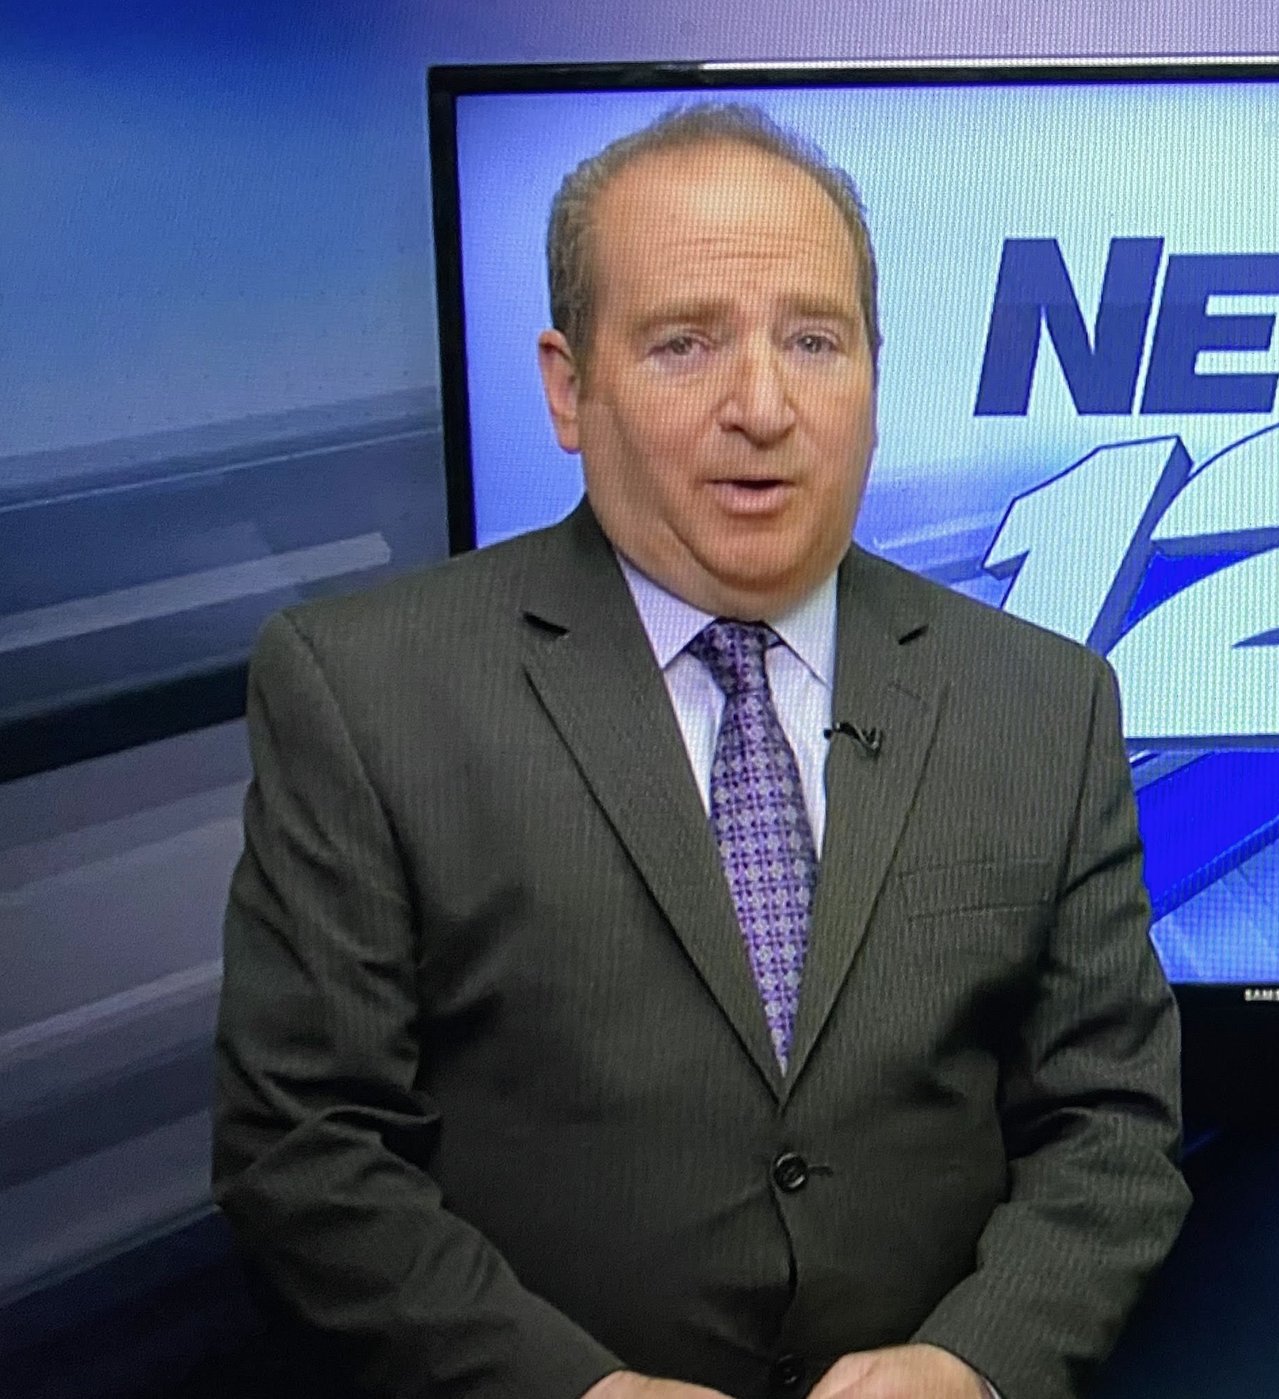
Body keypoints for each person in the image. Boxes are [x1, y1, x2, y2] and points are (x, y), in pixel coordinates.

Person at [212, 103, 1188, 1399]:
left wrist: (973, 1361)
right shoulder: (367, 689)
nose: (764, 407)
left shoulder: (1042, 700)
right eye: (686, 343)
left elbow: (1110, 1123)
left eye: (814, 341)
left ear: (874, 375)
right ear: (570, 387)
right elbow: (305, 1147)